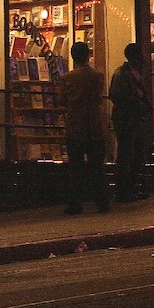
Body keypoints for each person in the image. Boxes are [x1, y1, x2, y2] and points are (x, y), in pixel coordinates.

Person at [60, 41, 110, 214]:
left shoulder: (68, 78)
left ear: (73, 57)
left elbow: (62, 100)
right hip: (95, 125)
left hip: (75, 126)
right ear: (88, 55)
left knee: (76, 167)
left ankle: (76, 203)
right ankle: (102, 201)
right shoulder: (98, 76)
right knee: (97, 167)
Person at [108, 42, 152, 202]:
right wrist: (137, 104)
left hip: (134, 118)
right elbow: (117, 95)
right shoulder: (122, 74)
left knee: (136, 154)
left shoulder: (135, 73)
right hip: (126, 119)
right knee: (127, 154)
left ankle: (132, 187)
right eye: (140, 54)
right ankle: (124, 190)